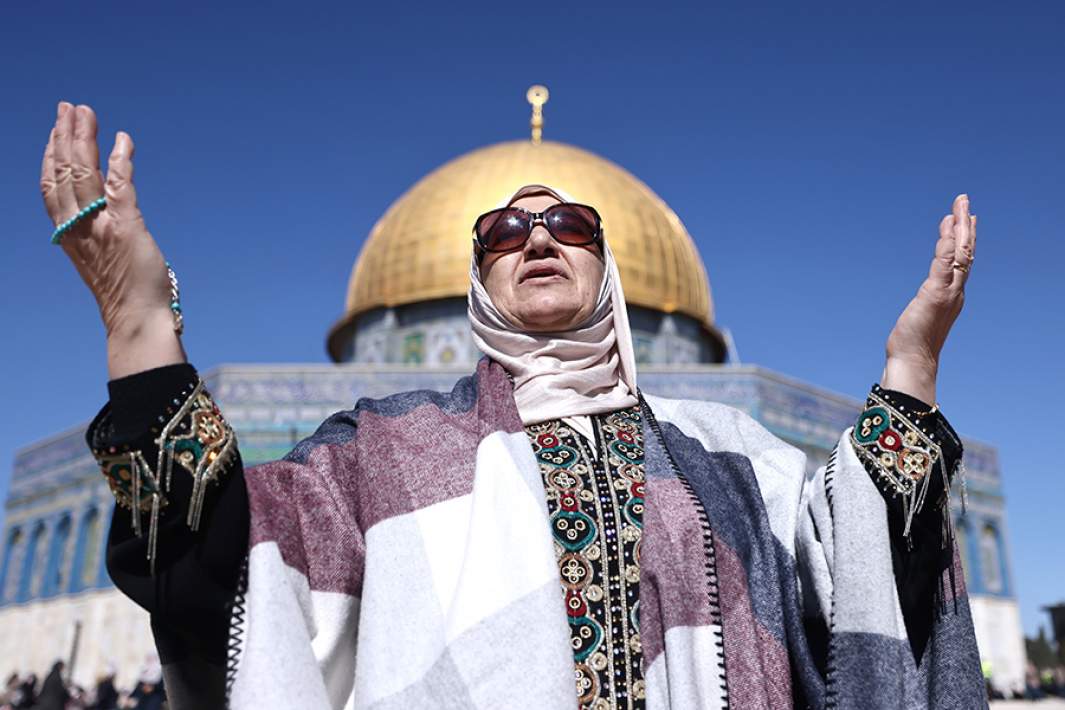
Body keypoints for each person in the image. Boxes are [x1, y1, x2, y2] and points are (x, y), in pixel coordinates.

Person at [39, 100, 985, 709]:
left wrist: (911, 366)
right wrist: (137, 327)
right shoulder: (381, 455)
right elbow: (216, 561)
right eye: (504, 231)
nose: (538, 240)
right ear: (478, 276)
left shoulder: (727, 454)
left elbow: (860, 561)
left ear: (607, 265)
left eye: (569, 226)